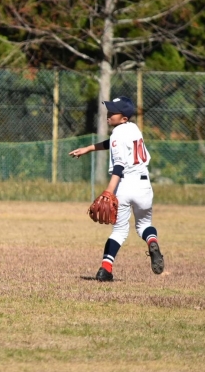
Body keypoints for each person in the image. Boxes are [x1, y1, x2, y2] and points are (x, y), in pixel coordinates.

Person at [69, 96, 164, 282]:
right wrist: (89, 148)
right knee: (144, 225)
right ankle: (152, 242)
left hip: (124, 185)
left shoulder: (117, 135)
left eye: (113, 112)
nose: (109, 114)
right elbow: (113, 143)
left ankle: (105, 270)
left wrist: (109, 191)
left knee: (119, 231)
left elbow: (119, 165)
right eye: (109, 110)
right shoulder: (133, 128)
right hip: (144, 186)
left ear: (123, 118)